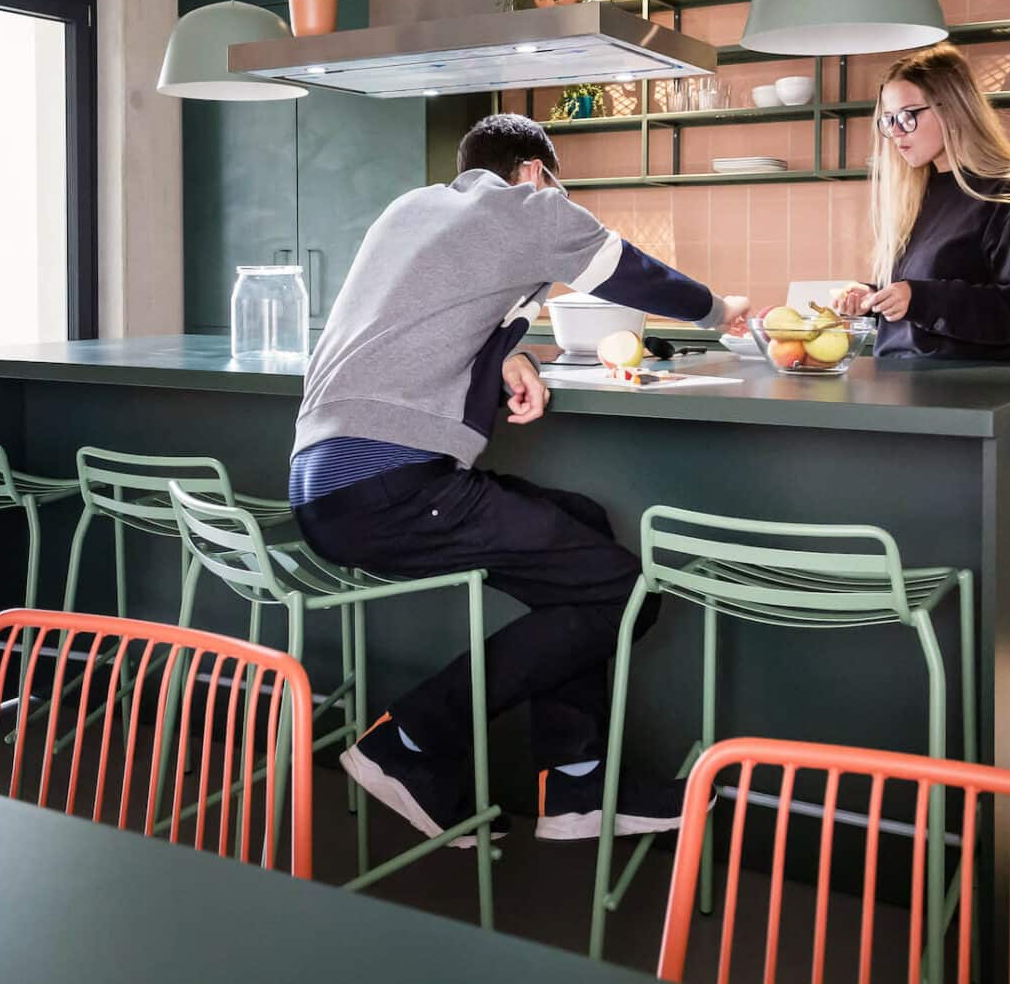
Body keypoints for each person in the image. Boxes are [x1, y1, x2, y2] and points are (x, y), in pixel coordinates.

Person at [290, 113, 751, 844]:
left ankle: (575, 788)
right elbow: (629, 271)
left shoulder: (412, 210)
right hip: (392, 482)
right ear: (534, 172)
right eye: (553, 183)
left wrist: (516, 358)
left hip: (327, 482)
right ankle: (405, 741)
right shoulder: (527, 206)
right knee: (625, 592)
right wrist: (720, 311)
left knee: (584, 526)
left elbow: (438, 318)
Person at [836, 43, 1010, 360]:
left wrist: (918, 299)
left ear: (952, 108)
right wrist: (875, 297)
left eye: (908, 115)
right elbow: (921, 296)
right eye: (888, 119)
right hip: (904, 388)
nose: (897, 132)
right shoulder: (917, 192)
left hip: (973, 395)